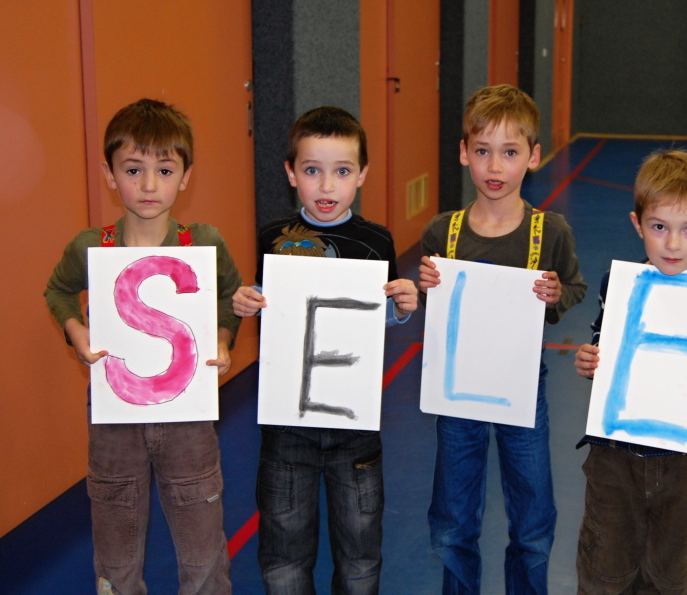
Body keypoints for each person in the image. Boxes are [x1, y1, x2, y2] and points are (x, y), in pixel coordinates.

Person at [44, 99, 242, 595]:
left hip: (188, 416)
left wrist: (222, 339)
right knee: (116, 542)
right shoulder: (92, 246)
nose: (149, 185)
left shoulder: (204, 243)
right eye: (133, 170)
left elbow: (229, 296)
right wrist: (75, 329)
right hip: (114, 418)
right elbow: (58, 290)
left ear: (186, 177)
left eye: (165, 171)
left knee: (201, 542)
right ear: (110, 175)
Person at [232, 105, 418, 594]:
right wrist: (250, 300)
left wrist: (400, 305)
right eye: (312, 171)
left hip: (354, 427)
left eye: (342, 171)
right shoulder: (273, 236)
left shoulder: (376, 241)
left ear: (362, 174)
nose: (327, 186)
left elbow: (374, 316)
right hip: (287, 426)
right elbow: (276, 305)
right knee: (283, 555)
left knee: (360, 556)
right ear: (291, 173)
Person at [419, 84, 587, 595]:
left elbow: (575, 287)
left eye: (510, 153)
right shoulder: (442, 232)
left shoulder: (549, 231)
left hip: (521, 388)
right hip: (457, 392)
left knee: (533, 517)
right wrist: (424, 288)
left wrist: (556, 294)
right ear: (464, 153)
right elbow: (435, 308)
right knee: (453, 517)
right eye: (483, 151)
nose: (495, 166)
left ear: (533, 157)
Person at [573, 150, 687, 595]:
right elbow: (604, 344)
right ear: (637, 224)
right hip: (615, 456)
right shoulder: (616, 286)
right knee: (605, 565)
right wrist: (590, 361)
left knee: (672, 571)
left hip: (685, 463)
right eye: (659, 227)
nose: (673, 244)